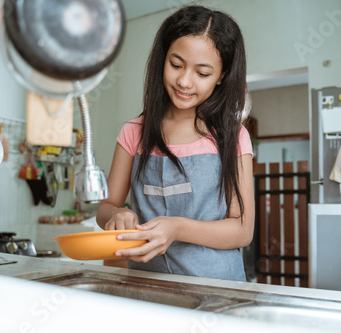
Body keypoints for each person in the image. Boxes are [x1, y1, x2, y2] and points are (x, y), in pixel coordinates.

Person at [96, 5, 254, 281]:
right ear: (162, 59)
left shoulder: (232, 136)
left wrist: (177, 228)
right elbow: (106, 206)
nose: (184, 81)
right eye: (176, 65)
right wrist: (118, 213)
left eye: (202, 73)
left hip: (218, 291)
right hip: (148, 288)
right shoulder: (135, 132)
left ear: (222, 75)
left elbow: (242, 229)